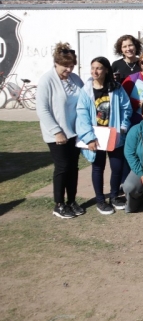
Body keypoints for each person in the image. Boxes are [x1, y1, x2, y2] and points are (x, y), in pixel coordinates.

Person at [76, 56, 132, 215]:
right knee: (98, 168)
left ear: (106, 70)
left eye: (99, 68)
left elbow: (126, 108)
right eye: (93, 68)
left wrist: (123, 127)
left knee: (117, 167)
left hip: (113, 135)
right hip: (96, 137)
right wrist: (88, 137)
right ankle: (100, 201)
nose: (95, 71)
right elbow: (82, 115)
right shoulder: (86, 91)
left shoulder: (116, 88)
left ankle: (114, 196)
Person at [37, 42, 85, 219]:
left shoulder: (74, 79)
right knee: (62, 167)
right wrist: (56, 130)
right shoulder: (47, 80)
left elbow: (85, 95)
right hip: (57, 134)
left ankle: (71, 201)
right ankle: (59, 204)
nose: (69, 69)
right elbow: (42, 109)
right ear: (56, 63)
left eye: (71, 65)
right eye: (65, 66)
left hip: (74, 132)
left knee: (73, 167)